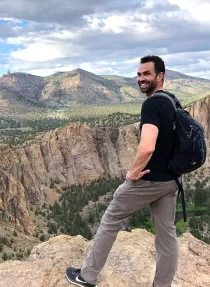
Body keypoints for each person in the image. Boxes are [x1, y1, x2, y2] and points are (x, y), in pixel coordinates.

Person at [66, 55, 179, 287]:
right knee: (167, 237)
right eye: (139, 74)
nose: (141, 78)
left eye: (146, 74)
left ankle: (87, 276)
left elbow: (147, 146)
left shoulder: (152, 103)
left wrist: (131, 174)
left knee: (110, 219)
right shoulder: (172, 101)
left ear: (160, 76)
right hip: (172, 180)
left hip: (149, 180)